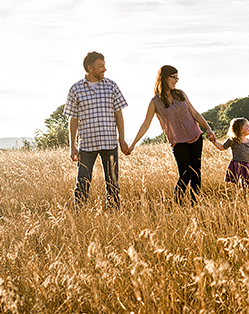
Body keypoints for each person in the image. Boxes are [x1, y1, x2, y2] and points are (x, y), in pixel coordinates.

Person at [127, 65, 216, 203]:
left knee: (196, 174)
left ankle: (195, 206)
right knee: (185, 175)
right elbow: (146, 124)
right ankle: (177, 206)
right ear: (164, 78)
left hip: (195, 136)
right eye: (173, 77)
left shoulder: (180, 94)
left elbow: (194, 113)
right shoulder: (155, 102)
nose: (176, 80)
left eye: (177, 77)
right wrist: (133, 144)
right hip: (178, 142)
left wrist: (209, 129)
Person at [63, 51, 128, 210]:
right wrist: (72, 146)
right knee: (82, 183)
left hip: (109, 143)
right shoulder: (76, 89)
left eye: (104, 66)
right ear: (89, 68)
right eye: (100, 66)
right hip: (87, 146)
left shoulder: (111, 86)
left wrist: (122, 139)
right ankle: (79, 217)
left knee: (113, 184)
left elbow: (118, 114)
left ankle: (114, 217)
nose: (104, 69)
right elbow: (73, 119)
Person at [211, 117, 249, 187]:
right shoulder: (233, 140)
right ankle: (240, 197)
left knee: (248, 186)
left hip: (247, 167)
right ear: (239, 129)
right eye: (247, 126)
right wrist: (214, 141)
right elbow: (222, 147)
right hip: (237, 166)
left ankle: (247, 197)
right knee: (239, 185)